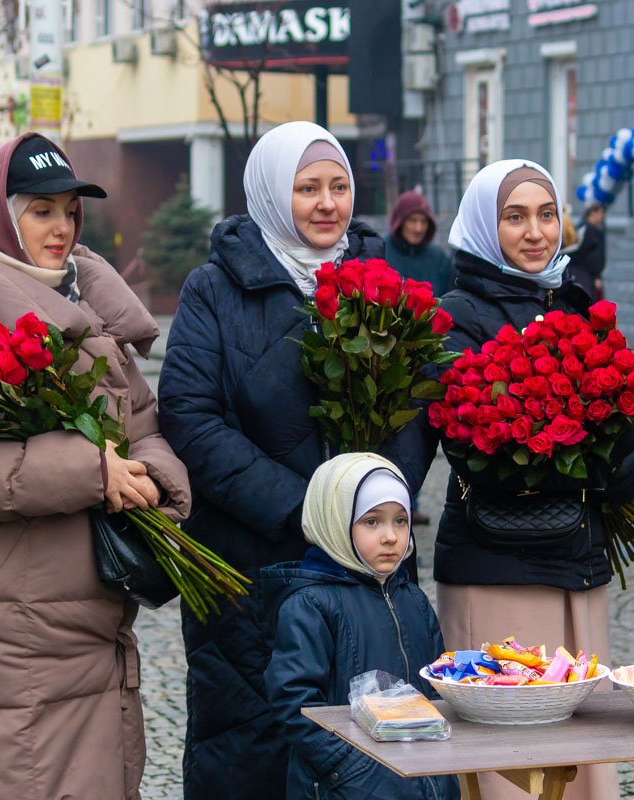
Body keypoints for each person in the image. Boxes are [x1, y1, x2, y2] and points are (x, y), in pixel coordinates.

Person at [0, 132, 191, 800]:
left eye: (69, 212)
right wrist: (93, 469)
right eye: (41, 211)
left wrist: (151, 476)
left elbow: (144, 426)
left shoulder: (88, 320)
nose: (60, 228)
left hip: (87, 625)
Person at [157, 121, 434, 800]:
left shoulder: (380, 283)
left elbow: (418, 405)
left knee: (370, 748)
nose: (326, 203)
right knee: (251, 743)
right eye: (307, 188)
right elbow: (191, 417)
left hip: (369, 565)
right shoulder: (215, 289)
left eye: (338, 186)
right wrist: (305, 509)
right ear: (273, 195)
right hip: (253, 564)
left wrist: (369, 510)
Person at [433, 160, 634, 800]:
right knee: (511, 767)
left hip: (577, 560)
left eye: (546, 214)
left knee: (585, 761)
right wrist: (595, 469)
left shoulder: (575, 300)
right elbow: (472, 446)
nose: (536, 232)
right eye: (514, 217)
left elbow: (612, 406)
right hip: (497, 561)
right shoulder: (458, 314)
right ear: (484, 224)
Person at [262, 453, 458, 800]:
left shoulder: (412, 598)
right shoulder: (311, 604)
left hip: (426, 780)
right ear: (335, 521)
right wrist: (346, 764)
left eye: (400, 521)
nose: (390, 537)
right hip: (350, 785)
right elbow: (295, 701)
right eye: (372, 522)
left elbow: (435, 686)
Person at [384, 189, 453, 297]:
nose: (418, 228)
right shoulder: (381, 251)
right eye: (412, 220)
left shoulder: (439, 258)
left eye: (424, 221)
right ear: (400, 222)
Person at [568, 200, 606, 301]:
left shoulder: (594, 230)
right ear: (593, 213)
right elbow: (579, 251)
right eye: (601, 213)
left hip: (589, 275)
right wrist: (596, 276)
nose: (603, 216)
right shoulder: (585, 230)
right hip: (584, 274)